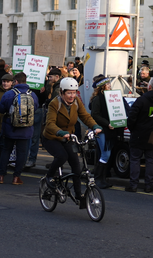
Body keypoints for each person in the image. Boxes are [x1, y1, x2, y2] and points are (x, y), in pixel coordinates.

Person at [41, 77, 102, 207]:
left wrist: (95, 126)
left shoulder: (76, 102)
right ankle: (49, 176)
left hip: (68, 138)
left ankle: (79, 195)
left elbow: (85, 116)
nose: (72, 95)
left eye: (74, 92)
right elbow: (49, 124)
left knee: (76, 166)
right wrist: (60, 132)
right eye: (69, 93)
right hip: (52, 137)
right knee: (62, 156)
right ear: (62, 92)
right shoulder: (54, 104)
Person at [0, 72, 39, 185]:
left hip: (10, 127)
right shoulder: (32, 95)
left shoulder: (9, 94)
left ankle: (1, 176)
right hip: (26, 129)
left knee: (6, 151)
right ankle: (16, 177)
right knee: (22, 153)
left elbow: (1, 109)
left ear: (16, 81)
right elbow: (35, 108)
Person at [126, 76, 153, 193]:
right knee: (151, 160)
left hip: (139, 134)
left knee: (135, 160)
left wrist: (133, 129)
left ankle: (133, 185)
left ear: (149, 87)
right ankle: (148, 185)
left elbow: (131, 117)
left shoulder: (141, 100)